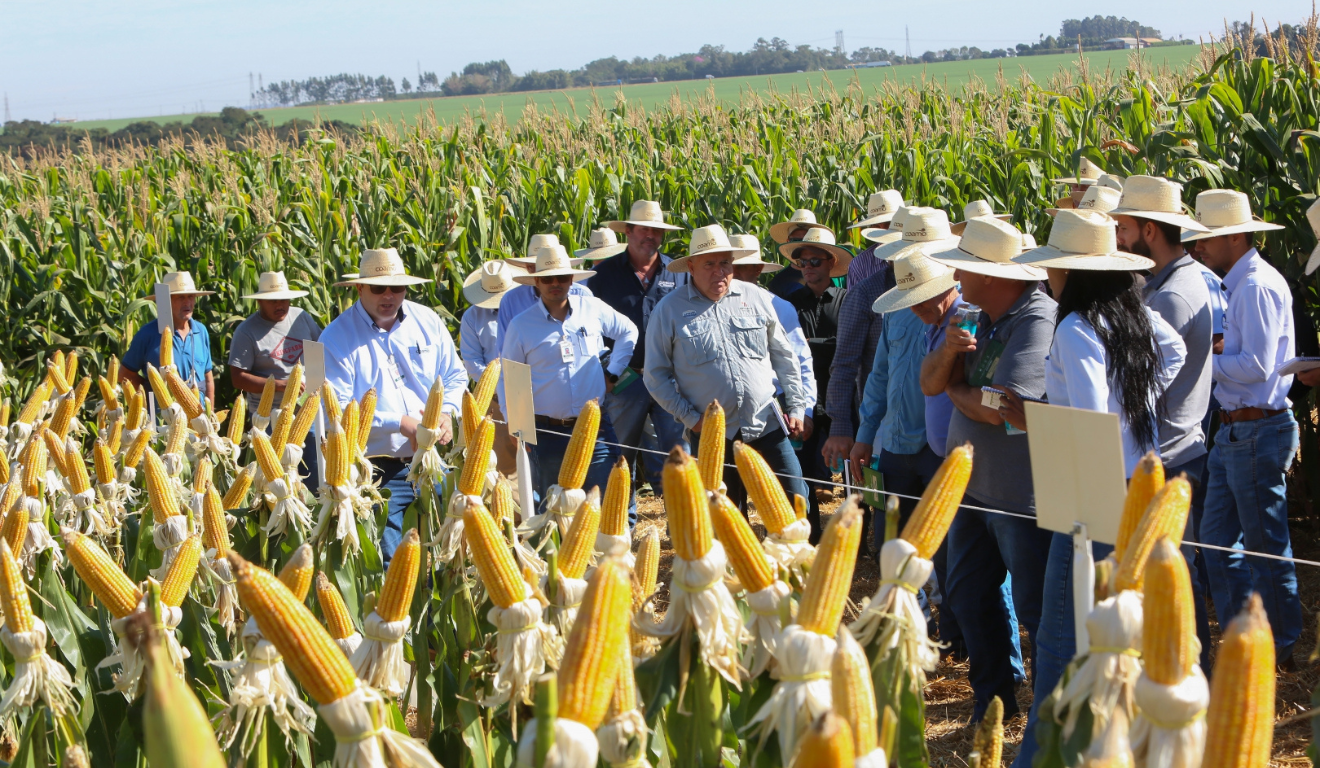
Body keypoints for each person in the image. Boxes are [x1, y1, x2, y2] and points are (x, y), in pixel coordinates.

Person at [1006, 210, 1185, 767]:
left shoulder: (1076, 327)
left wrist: (1049, 416)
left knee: (1062, 636)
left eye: (1054, 268)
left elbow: (1086, 417)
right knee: (1123, 633)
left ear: (1070, 272)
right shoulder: (1134, 317)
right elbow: (1175, 352)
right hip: (1143, 491)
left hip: (1093, 496)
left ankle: (1042, 754)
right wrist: (1143, 400)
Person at [924, 217, 1056, 723]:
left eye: (965, 269)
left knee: (1035, 610)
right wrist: (952, 359)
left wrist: (963, 392)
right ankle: (994, 703)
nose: (957, 279)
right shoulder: (977, 316)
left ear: (993, 275)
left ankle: (1047, 714)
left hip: (1021, 497)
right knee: (970, 596)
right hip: (975, 492)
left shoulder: (1037, 319)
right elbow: (930, 382)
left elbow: (1011, 406)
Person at [1181, 189, 1300, 665]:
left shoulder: (1254, 286)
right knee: (1218, 544)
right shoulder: (1243, 284)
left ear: (1233, 236)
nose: (1198, 247)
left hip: (1255, 429)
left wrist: (1207, 357)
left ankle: (1282, 645)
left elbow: (1257, 366)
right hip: (1237, 431)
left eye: (1206, 239)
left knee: (1263, 544)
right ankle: (1247, 641)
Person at [1111, 177, 1216, 662]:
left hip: (1169, 454)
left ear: (1150, 231)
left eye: (1124, 227)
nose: (1118, 237)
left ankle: (1194, 672)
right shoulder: (1170, 284)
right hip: (1172, 448)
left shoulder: (1173, 297)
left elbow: (1144, 380)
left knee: (1173, 574)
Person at [860, 251, 975, 663]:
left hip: (940, 450)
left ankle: (957, 639)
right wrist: (864, 434)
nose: (917, 307)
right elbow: (879, 377)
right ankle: (912, 634)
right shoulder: (903, 316)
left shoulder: (964, 317)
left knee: (949, 553)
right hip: (896, 443)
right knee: (893, 546)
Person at [646, 224, 809, 509]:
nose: (719, 271)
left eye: (725, 263)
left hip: (766, 424)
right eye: (709, 263)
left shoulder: (757, 298)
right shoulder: (669, 310)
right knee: (725, 516)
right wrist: (690, 418)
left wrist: (796, 407)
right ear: (692, 267)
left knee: (795, 503)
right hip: (711, 435)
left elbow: (784, 356)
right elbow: (655, 375)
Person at [321, 248, 468, 564]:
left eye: (397, 287)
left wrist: (447, 413)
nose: (388, 295)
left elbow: (456, 375)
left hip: (434, 461)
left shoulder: (427, 321)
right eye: (378, 288)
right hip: (378, 472)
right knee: (389, 562)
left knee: (450, 554)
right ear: (360, 288)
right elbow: (338, 411)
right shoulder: (334, 339)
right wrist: (398, 422)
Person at [501, 244, 638, 511]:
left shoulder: (592, 308)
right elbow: (510, 377)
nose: (556, 284)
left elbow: (628, 332)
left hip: (594, 427)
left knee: (609, 498)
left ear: (571, 279)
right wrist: (515, 425)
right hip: (547, 432)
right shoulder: (521, 325)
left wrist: (613, 372)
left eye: (562, 277)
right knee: (555, 508)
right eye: (548, 279)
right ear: (536, 282)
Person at [588, 202, 691, 507]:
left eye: (656, 230)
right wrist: (606, 374)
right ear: (629, 232)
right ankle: (622, 527)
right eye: (644, 229)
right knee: (620, 458)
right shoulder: (602, 275)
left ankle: (683, 528)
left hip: (670, 378)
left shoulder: (678, 273)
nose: (651, 235)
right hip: (623, 380)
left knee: (680, 456)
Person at [821, 208, 910, 484]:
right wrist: (840, 425)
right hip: (883, 419)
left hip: (936, 424)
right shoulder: (865, 295)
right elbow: (845, 363)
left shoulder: (951, 293)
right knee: (883, 503)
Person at [780, 228, 850, 540]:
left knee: (851, 474)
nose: (808, 267)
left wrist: (809, 344)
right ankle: (809, 537)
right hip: (803, 399)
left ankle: (854, 538)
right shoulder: (788, 303)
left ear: (831, 262)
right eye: (801, 263)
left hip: (844, 396)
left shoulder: (848, 300)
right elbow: (783, 350)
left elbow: (848, 347)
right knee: (802, 471)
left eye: (814, 261)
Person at [229, 271, 323, 488]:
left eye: (284, 299)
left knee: (314, 475)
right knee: (276, 483)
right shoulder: (247, 332)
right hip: (268, 418)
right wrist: (280, 385)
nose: (280, 304)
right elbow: (238, 378)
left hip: (305, 412)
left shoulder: (301, 317)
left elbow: (319, 349)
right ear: (260, 301)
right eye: (272, 301)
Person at [730, 234, 817, 434]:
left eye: (740, 267)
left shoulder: (778, 307)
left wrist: (805, 410)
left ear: (758, 269)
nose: (732, 274)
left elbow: (800, 359)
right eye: (730, 266)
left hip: (775, 407)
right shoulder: (713, 308)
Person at [460, 259, 525, 476]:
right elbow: (472, 362)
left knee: (539, 464)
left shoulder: (528, 308)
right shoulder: (472, 317)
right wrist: (502, 383)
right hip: (496, 399)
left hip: (534, 396)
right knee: (505, 471)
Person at [121, 271, 216, 404]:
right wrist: (152, 393)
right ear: (166, 300)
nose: (187, 302)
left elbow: (208, 377)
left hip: (198, 417)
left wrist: (210, 412)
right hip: (163, 419)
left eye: (190, 296)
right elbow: (125, 373)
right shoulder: (147, 334)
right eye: (180, 297)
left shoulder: (201, 331)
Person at [497, 234, 594, 342]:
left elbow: (596, 337)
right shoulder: (511, 300)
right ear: (529, 268)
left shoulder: (583, 294)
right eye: (537, 267)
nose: (552, 279)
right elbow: (505, 346)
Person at [766, 209, 831, 299]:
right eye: (796, 240)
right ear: (788, 241)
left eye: (806, 239)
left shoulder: (831, 274)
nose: (800, 244)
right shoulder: (778, 282)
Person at [845, 190, 905, 285]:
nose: (883, 230)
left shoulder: (923, 255)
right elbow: (856, 299)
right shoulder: (860, 265)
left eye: (889, 224)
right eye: (876, 226)